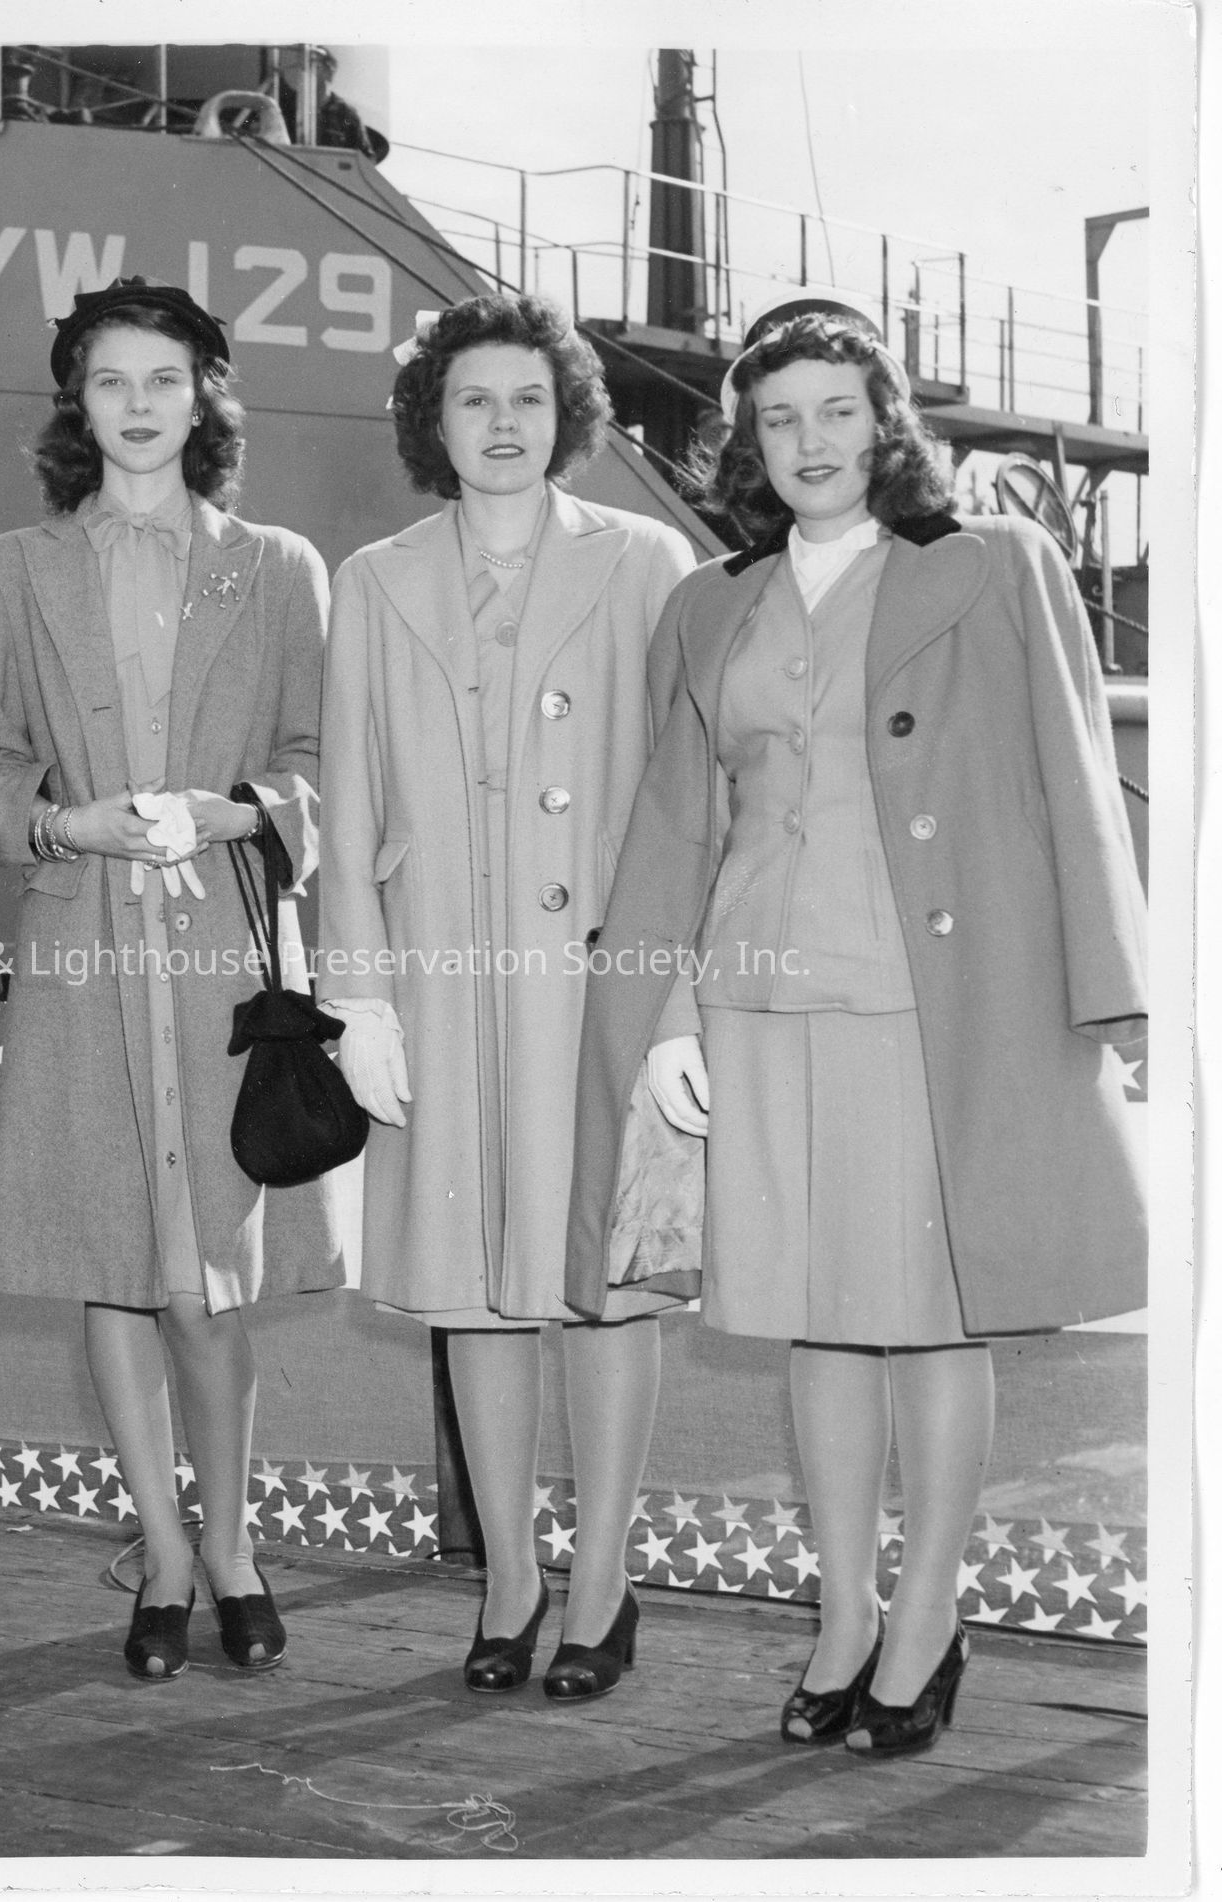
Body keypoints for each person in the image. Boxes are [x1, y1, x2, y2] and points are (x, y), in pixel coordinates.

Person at [568, 298, 1147, 1758]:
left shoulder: (994, 565)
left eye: (837, 411)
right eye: (780, 419)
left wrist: (1114, 994)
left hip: (927, 1000)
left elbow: (1077, 779)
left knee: (931, 1316)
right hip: (756, 999)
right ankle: (844, 1614)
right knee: (815, 1322)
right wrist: (665, 1013)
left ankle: (927, 1617)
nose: (810, 442)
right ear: (747, 444)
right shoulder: (712, 603)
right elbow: (675, 822)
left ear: (887, 426)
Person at [319, 293, 696, 1701]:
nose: (502, 423)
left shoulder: (646, 560)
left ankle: (601, 1582)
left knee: (602, 1281)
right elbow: (350, 796)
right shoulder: (374, 579)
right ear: (435, 420)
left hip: (597, 978)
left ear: (568, 415)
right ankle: (510, 1578)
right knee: (471, 1285)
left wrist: (677, 1006)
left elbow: (684, 799)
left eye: (529, 398)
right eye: (473, 398)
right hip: (439, 980)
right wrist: (357, 997)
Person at [0, 277, 340, 1680]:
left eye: (164, 379)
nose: (137, 404)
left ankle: (233, 1542)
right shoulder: (14, 567)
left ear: (204, 400)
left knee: (208, 1281)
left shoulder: (283, 567)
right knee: (113, 1268)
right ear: (78, 402)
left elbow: (317, 765)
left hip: (219, 952)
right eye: (110, 380)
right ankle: (166, 1553)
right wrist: (69, 823)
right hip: (80, 949)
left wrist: (229, 809)